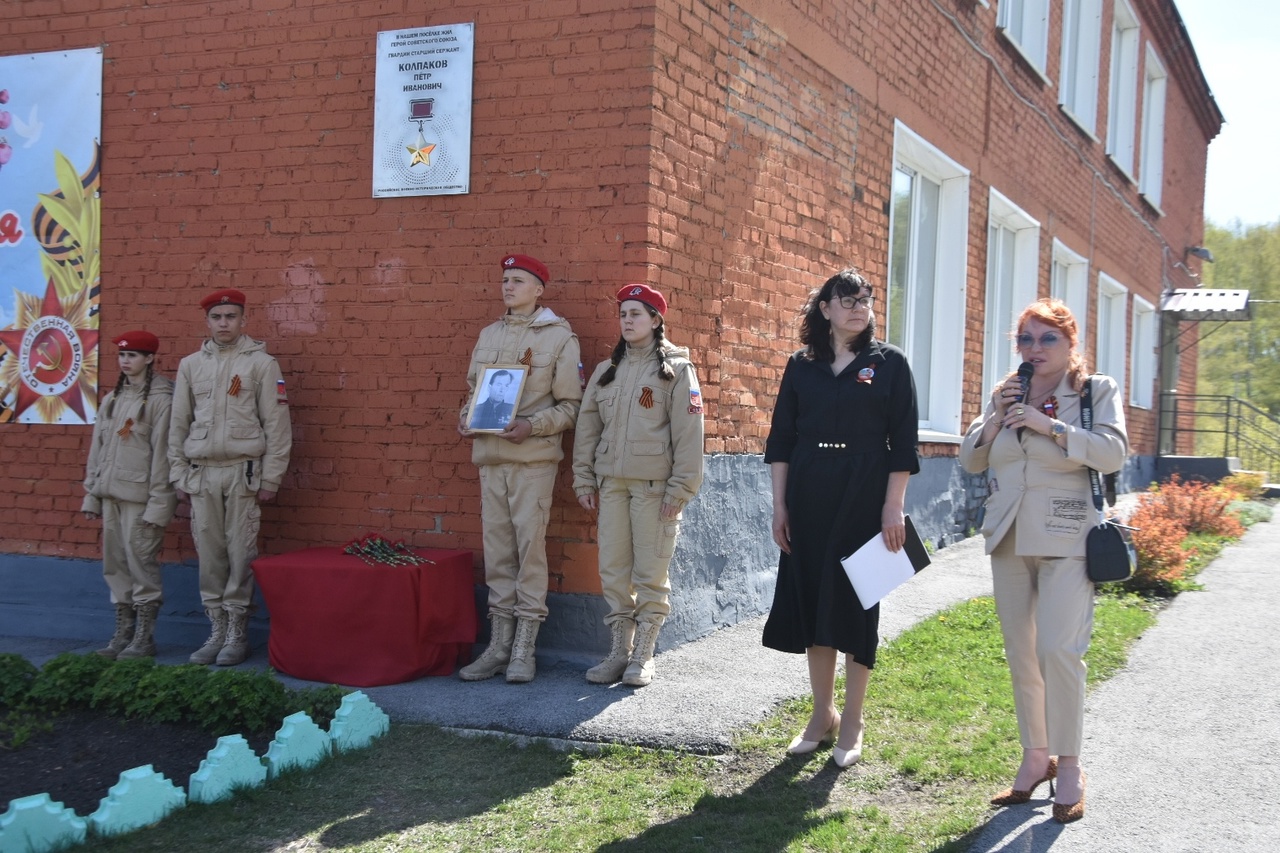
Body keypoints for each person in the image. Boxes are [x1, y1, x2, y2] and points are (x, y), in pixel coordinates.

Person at [959, 297, 1128, 824]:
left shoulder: (1094, 392)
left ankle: (1071, 765)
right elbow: (971, 458)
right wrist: (994, 417)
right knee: (1022, 654)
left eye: (1047, 338)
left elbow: (1113, 453)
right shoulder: (1006, 391)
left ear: (1070, 341)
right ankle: (1037, 758)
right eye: (1026, 339)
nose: (1035, 348)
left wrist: (1047, 424)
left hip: (1068, 535)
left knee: (1058, 649)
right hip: (1009, 534)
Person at [762, 268, 920, 768]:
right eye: (845, 299)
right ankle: (821, 714)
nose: (857, 306)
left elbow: (904, 444)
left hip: (865, 495)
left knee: (856, 605)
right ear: (825, 308)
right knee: (814, 603)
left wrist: (893, 505)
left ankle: (853, 720)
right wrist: (780, 505)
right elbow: (781, 440)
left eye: (865, 298)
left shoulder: (890, 364)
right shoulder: (801, 365)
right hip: (808, 492)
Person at [457, 254, 583, 684]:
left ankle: (524, 648)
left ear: (538, 289)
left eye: (517, 280)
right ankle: (498, 645)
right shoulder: (489, 334)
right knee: (498, 552)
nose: (508, 287)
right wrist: (466, 417)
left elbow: (571, 406)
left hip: (532, 460)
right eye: (504, 279)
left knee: (529, 550)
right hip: (491, 459)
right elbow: (475, 391)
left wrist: (533, 425)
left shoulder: (560, 338)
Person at [573, 284, 705, 687]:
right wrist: (583, 477)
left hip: (654, 490)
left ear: (655, 320)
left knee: (650, 573)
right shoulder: (605, 371)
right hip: (612, 486)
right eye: (623, 314)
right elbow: (587, 429)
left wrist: (679, 489)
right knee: (613, 571)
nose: (627, 321)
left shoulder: (677, 370)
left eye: (636, 314)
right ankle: (618, 653)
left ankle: (643, 656)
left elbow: (689, 433)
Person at [169, 289, 292, 667]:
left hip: (243, 473)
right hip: (202, 474)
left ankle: (237, 632)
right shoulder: (191, 366)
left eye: (231, 316)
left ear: (244, 321)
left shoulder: (262, 364)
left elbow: (277, 423)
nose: (224, 323)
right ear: (207, 322)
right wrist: (177, 474)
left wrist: (271, 477)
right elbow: (178, 424)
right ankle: (216, 630)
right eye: (217, 317)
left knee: (240, 553)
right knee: (210, 555)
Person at [82, 331, 177, 660]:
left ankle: (144, 637)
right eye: (122, 355)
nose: (125, 361)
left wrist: (159, 506)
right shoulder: (112, 399)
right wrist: (91, 495)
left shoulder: (161, 400)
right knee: (115, 566)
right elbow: (98, 450)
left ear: (149, 358)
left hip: (141, 500)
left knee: (141, 566)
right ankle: (122, 632)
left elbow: (165, 456)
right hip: (111, 496)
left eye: (134, 355)